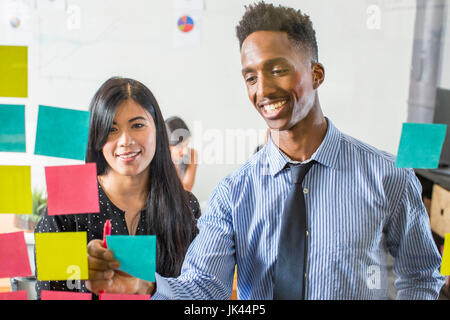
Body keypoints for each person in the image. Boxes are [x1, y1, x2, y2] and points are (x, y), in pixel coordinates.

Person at [86, 2, 445, 299]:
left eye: (278, 70)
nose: (264, 89)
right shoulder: (233, 194)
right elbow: (203, 291)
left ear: (316, 73)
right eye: (251, 77)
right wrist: (143, 286)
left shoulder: (388, 177)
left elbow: (422, 277)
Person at [34, 77, 200, 299]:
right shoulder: (66, 204)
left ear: (158, 130)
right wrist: (83, 275)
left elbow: (199, 294)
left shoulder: (186, 205)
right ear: (97, 138)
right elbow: (49, 292)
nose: (125, 140)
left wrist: (147, 288)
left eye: (137, 125)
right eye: (111, 129)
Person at [165, 116, 198, 192]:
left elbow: (186, 190)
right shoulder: (156, 160)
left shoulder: (192, 154)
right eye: (180, 146)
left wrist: (174, 163)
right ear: (166, 145)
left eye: (187, 144)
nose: (185, 151)